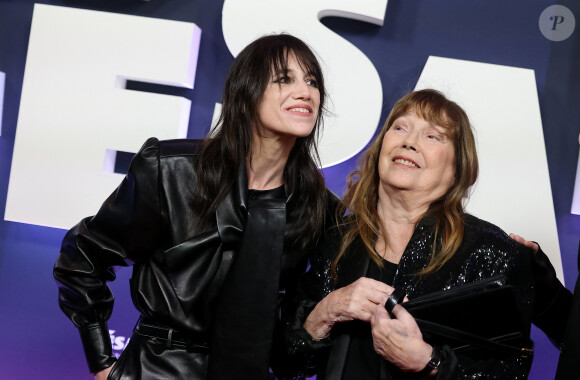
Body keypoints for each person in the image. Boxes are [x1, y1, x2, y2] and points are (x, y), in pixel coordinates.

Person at [54, 34, 338, 380]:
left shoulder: (316, 206)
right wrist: (101, 362)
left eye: (312, 81)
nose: (305, 91)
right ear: (245, 92)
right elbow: (82, 258)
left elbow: (291, 342)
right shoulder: (171, 171)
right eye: (284, 79)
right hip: (157, 370)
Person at [283, 89, 571, 379]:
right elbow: (287, 365)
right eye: (400, 127)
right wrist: (326, 312)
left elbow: (509, 373)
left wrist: (432, 363)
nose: (409, 142)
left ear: (459, 167)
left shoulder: (492, 252)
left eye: (433, 136)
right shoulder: (337, 240)